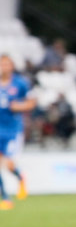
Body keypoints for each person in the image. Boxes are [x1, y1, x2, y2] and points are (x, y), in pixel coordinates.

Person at [0, 54, 36, 210]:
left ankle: (20, 176)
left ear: (12, 66)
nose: (4, 67)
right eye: (2, 64)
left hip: (12, 131)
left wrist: (19, 107)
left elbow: (32, 102)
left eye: (7, 64)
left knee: (9, 165)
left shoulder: (20, 84)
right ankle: (5, 198)